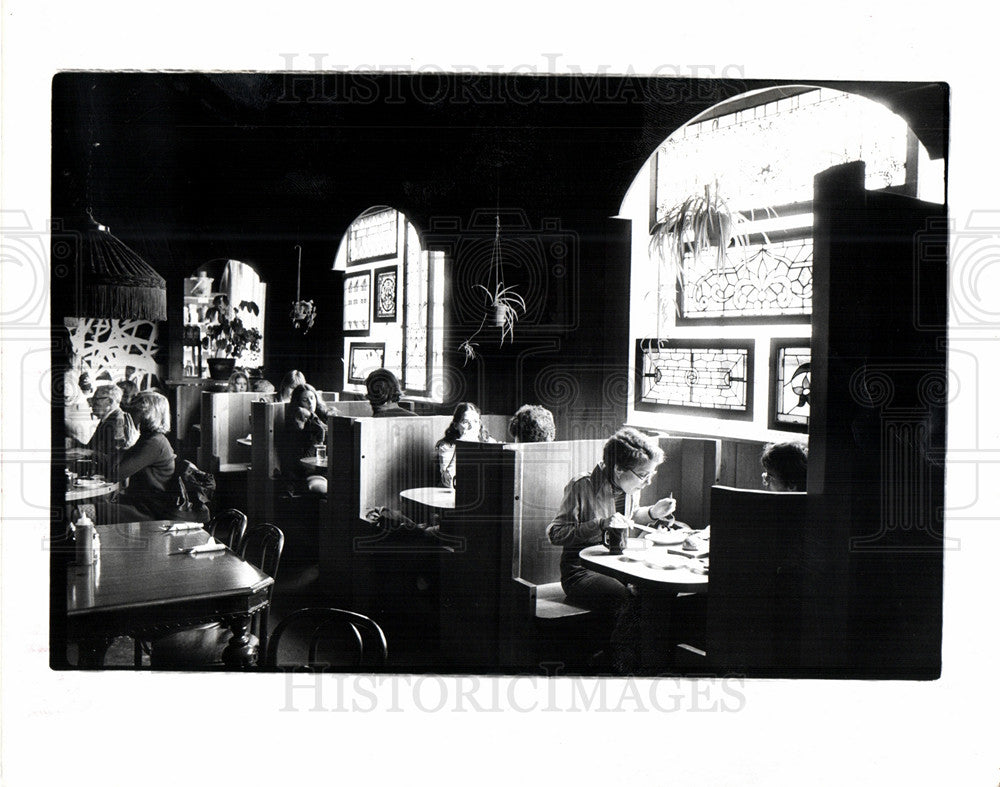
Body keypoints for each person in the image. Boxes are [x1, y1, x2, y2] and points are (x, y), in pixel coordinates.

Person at [546, 427, 677, 667]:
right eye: (643, 475)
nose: (648, 481)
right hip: (580, 570)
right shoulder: (581, 485)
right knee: (625, 598)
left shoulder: (628, 487)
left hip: (615, 564)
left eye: (652, 474)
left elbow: (628, 517)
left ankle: (644, 661)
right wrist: (599, 525)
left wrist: (651, 512)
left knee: (656, 594)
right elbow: (555, 533)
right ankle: (618, 665)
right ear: (618, 469)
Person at [98, 391, 177, 522]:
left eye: (135, 410)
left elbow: (114, 475)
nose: (128, 415)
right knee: (93, 502)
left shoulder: (154, 443)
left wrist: (122, 446)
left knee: (83, 510)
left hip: (149, 510)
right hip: (140, 503)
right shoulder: (150, 438)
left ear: (148, 414)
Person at [278, 383, 328, 496]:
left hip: (325, 468)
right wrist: (311, 417)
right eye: (305, 400)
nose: (310, 403)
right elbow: (301, 457)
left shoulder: (323, 416)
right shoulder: (295, 423)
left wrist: (313, 417)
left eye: (312, 398)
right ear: (298, 403)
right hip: (306, 471)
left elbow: (327, 433)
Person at [434, 402, 495, 488]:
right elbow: (448, 482)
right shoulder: (446, 446)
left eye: (475, 421)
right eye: (466, 422)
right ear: (456, 425)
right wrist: (461, 446)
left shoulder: (488, 442)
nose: (471, 426)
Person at [83, 384, 136, 460]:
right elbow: (91, 447)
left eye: (95, 399)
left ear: (110, 401)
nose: (91, 404)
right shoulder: (108, 418)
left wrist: (89, 452)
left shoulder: (117, 422)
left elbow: (115, 458)